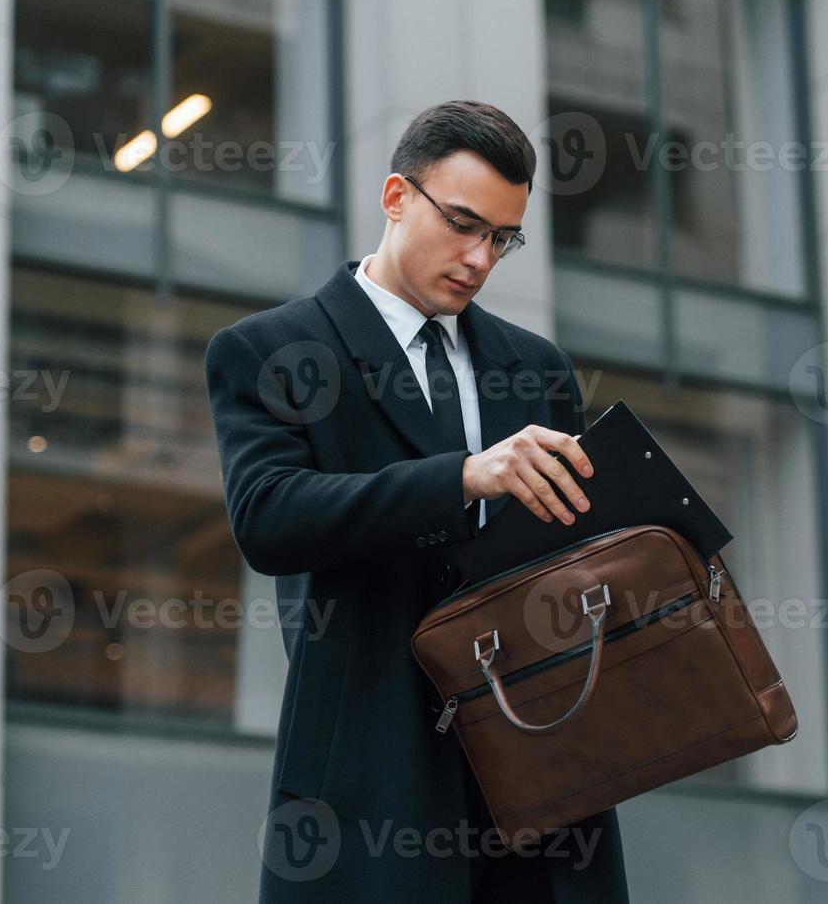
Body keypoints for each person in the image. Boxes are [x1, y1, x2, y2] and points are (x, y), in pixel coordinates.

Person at [203, 100, 629, 903]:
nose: (479, 258)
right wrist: (463, 474)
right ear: (397, 197)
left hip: (541, 771)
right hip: (374, 773)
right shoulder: (272, 350)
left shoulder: (537, 369)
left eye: (502, 238)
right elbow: (269, 516)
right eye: (463, 223)